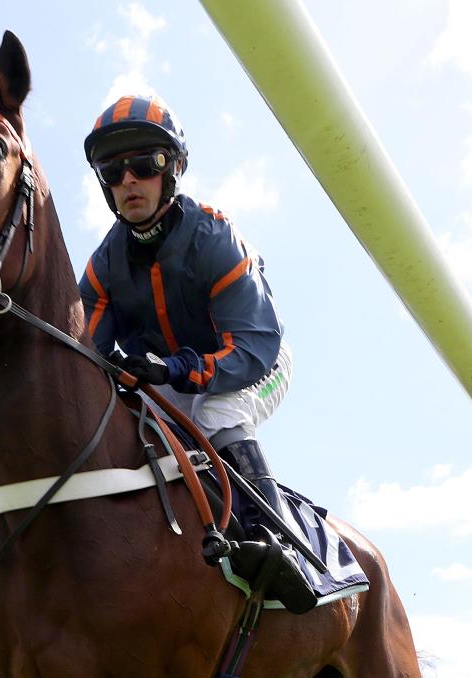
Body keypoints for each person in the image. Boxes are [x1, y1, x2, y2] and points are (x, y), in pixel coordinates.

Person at [77, 94, 360, 611]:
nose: (129, 181)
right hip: (175, 375)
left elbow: (254, 344)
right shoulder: (103, 266)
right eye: (113, 171)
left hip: (255, 361)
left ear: (174, 168)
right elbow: (82, 357)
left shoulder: (214, 235)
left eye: (146, 163)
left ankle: (281, 545)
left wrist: (175, 368)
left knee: (216, 409)